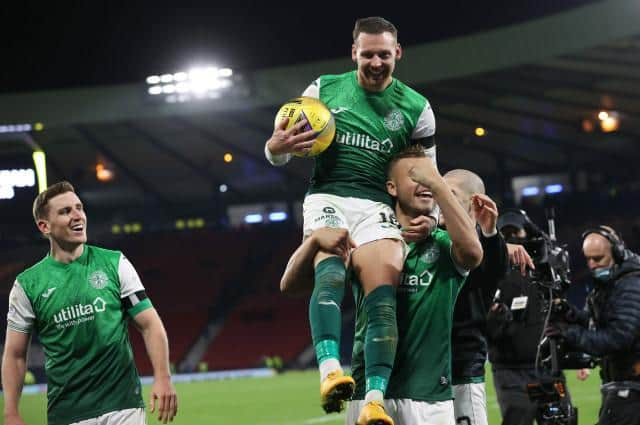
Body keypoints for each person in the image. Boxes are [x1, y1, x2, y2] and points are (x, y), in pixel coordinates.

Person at [265, 16, 438, 418]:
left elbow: (427, 178)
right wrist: (275, 148)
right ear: (354, 53)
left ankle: (373, 402)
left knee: (383, 294)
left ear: (397, 53)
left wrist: (433, 219)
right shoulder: (323, 89)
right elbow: (283, 148)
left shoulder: (417, 108)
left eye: (383, 54)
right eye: (367, 54)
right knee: (331, 268)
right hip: (327, 196)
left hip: (377, 205)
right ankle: (329, 371)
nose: (375, 62)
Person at [281, 147, 482, 424]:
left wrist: (437, 185)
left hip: (429, 398)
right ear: (392, 186)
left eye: (430, 176)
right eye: (415, 176)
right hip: (366, 397)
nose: (425, 183)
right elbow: (290, 286)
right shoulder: (363, 240)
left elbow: (473, 252)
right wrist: (313, 241)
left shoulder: (445, 243)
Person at [2, 182, 177, 425]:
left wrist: (163, 377)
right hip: (68, 414)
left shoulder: (115, 263)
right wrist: (11, 412)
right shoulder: (27, 285)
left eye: (79, 208)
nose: (77, 216)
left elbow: (150, 324)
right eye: (65, 212)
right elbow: (15, 353)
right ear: (44, 226)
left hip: (123, 406)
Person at [446, 172, 534, 425]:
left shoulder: (489, 249)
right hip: (423, 371)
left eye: (450, 194)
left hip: (462, 369)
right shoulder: (424, 236)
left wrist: (492, 234)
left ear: (475, 203)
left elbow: (489, 263)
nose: (440, 199)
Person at [547, 225, 640, 425]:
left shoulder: (631, 285)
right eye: (588, 259)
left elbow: (617, 338)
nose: (592, 265)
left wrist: (570, 333)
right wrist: (573, 315)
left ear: (617, 253)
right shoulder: (610, 285)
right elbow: (596, 322)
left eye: (598, 258)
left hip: (633, 388)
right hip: (620, 384)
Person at [486, 210, 570, 425]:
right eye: (506, 233)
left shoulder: (544, 268)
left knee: (557, 422)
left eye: (517, 231)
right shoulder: (490, 269)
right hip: (510, 372)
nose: (513, 237)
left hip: (545, 370)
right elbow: (484, 327)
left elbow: (559, 305)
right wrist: (495, 317)